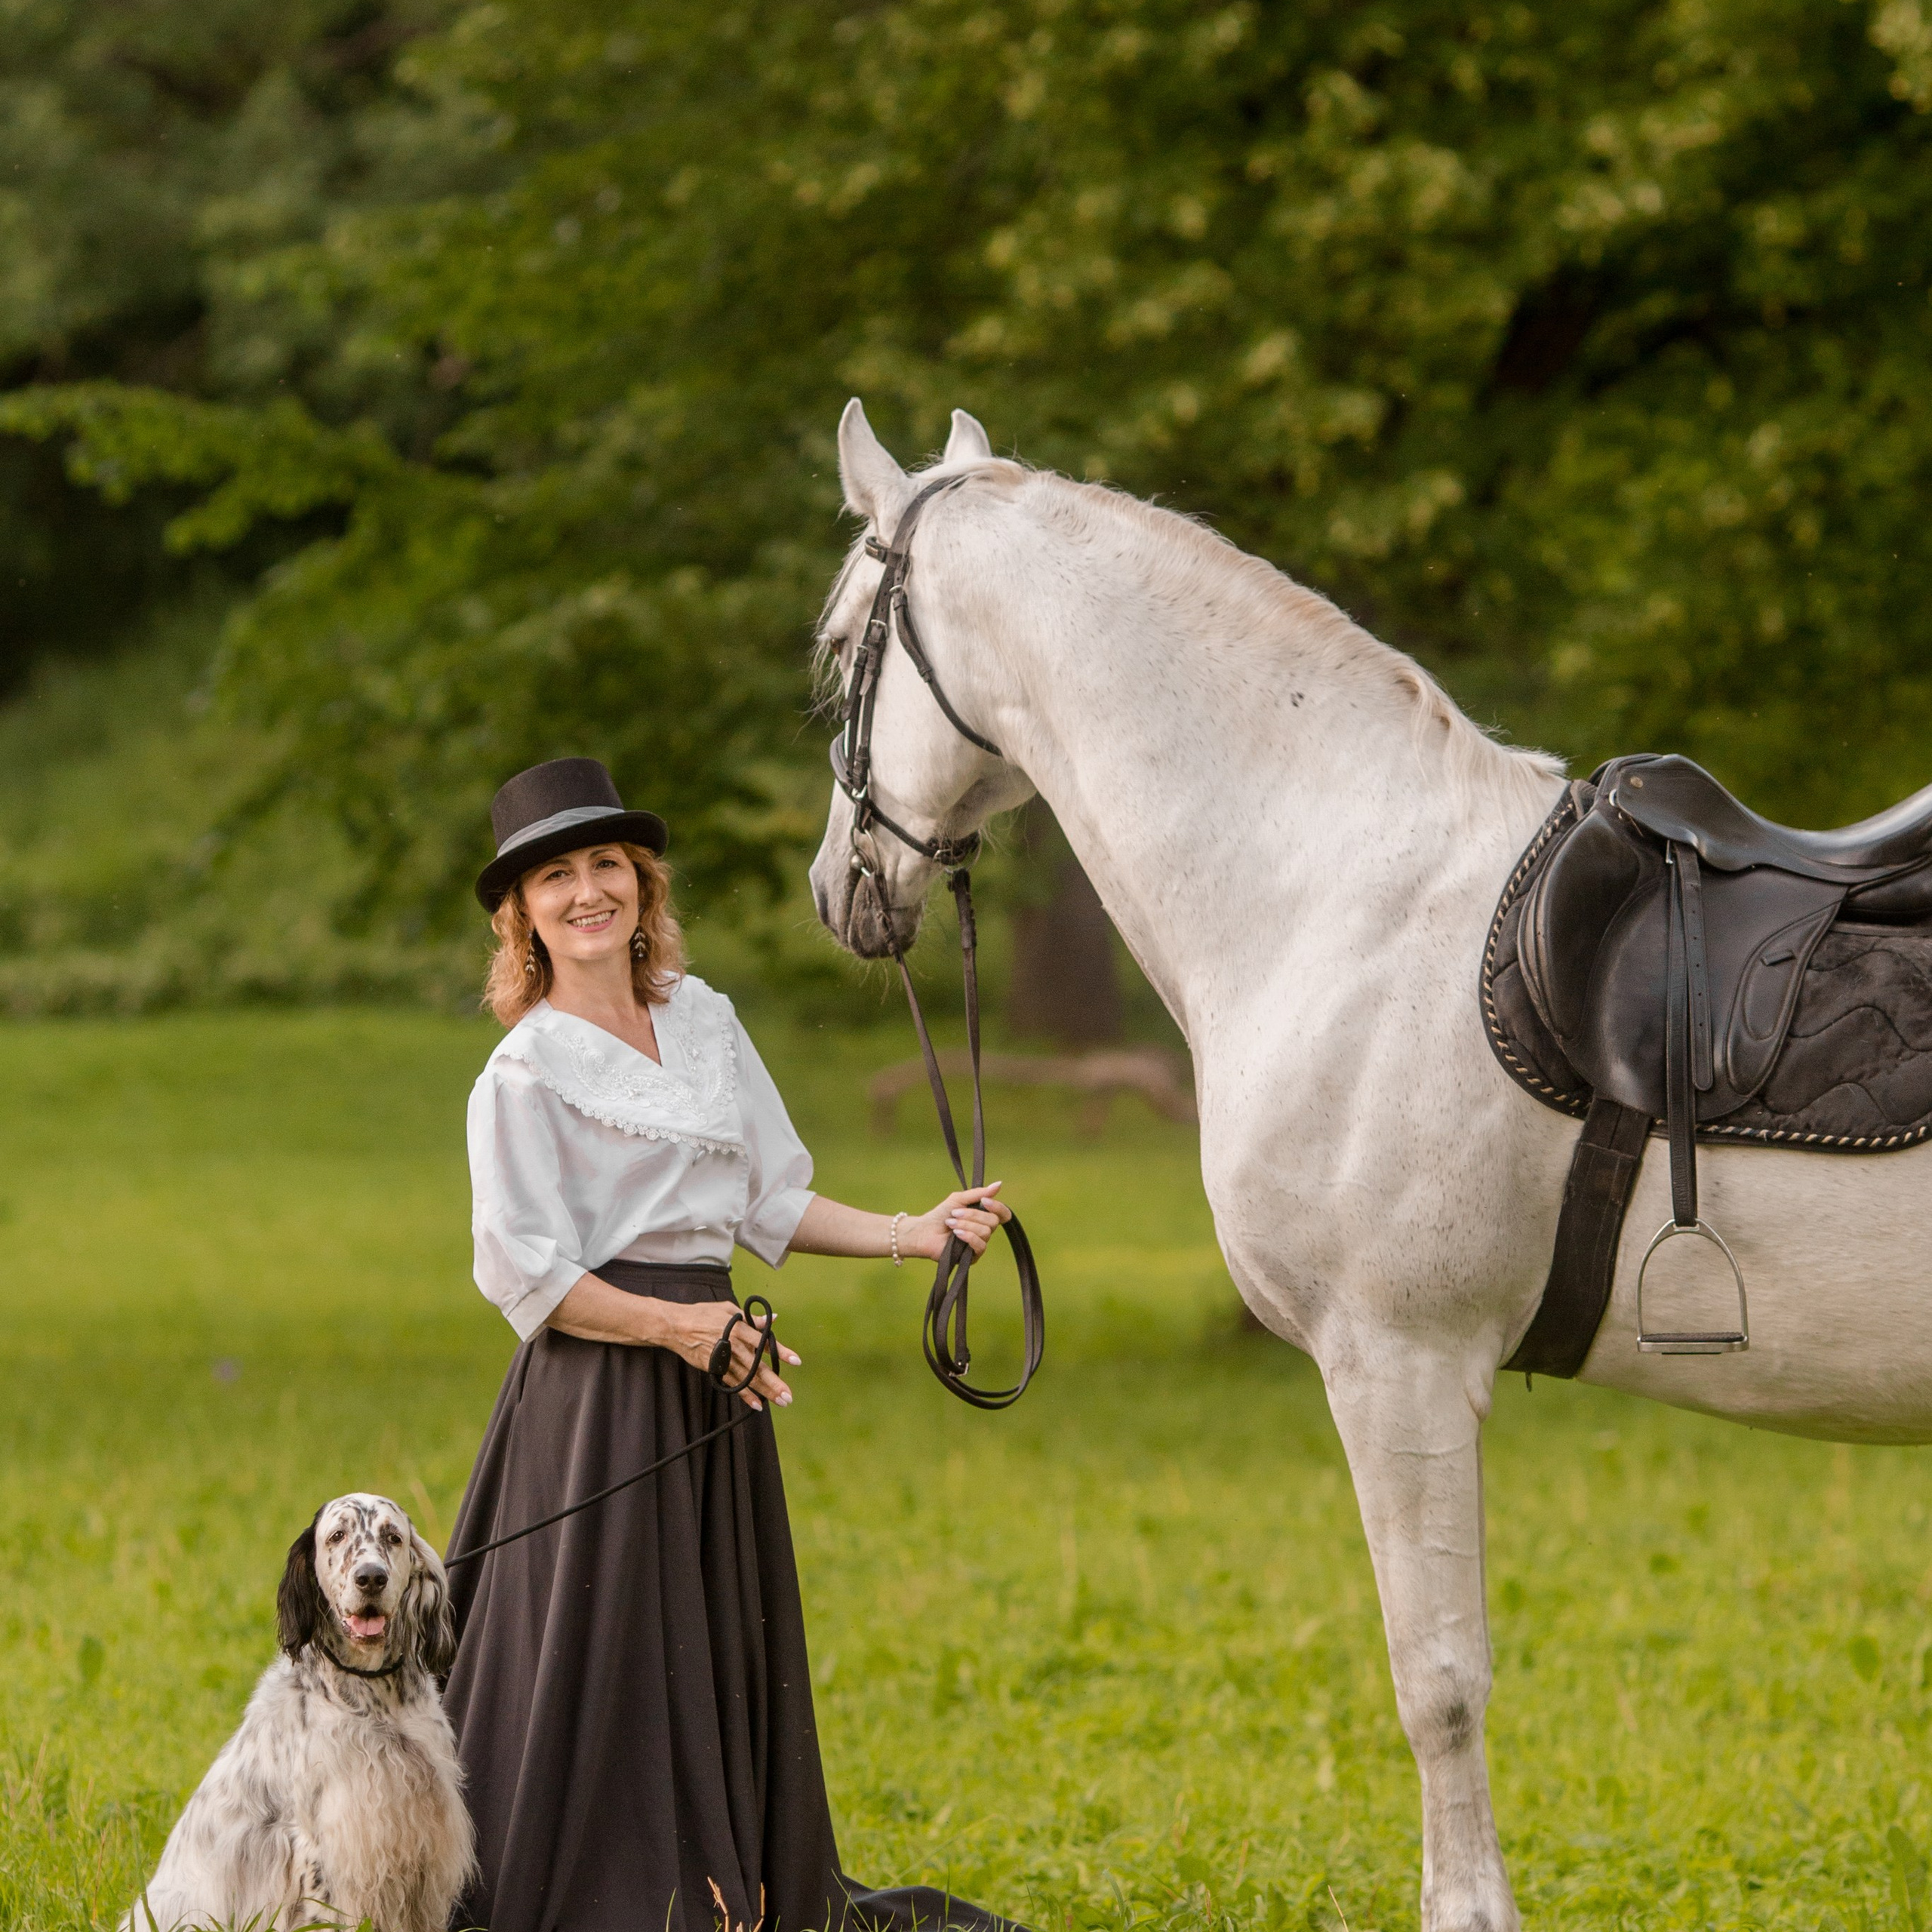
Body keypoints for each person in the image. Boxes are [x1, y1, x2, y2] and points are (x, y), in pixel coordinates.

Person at [443, 758, 1018, 1932]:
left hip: (716, 1375)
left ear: (643, 886)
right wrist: (676, 1329)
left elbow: (770, 1204)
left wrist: (921, 1231)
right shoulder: (523, 1072)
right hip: (598, 1392)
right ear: (525, 916)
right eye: (558, 876)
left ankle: (725, 1881)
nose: (589, 891)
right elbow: (520, 1268)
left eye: (608, 864)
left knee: (710, 1634)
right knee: (596, 1652)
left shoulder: (705, 1021)